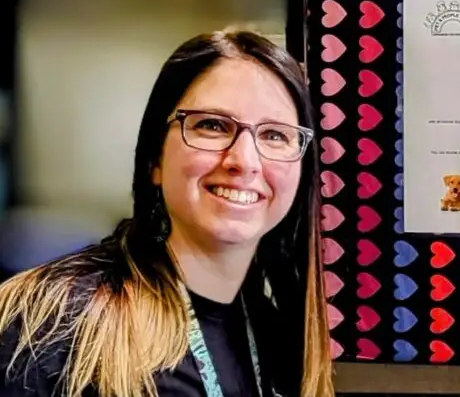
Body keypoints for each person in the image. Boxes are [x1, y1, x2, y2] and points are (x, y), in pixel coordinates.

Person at [0, 30, 334, 397]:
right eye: (212, 125)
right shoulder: (49, 324)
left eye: (275, 135)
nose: (244, 161)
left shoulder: (284, 344)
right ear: (154, 159)